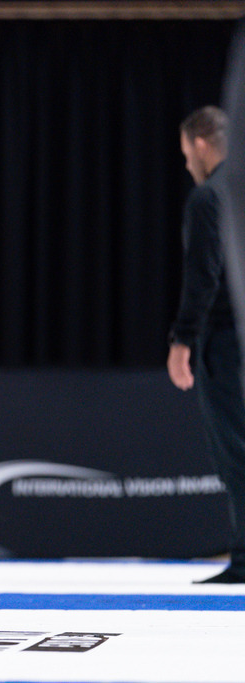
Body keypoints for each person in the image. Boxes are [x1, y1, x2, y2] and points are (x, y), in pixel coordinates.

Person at [167, 106, 245, 584]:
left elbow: (204, 276)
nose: (187, 164)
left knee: (235, 449)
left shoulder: (209, 198)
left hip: (226, 342)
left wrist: (182, 340)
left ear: (199, 144)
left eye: (185, 153)